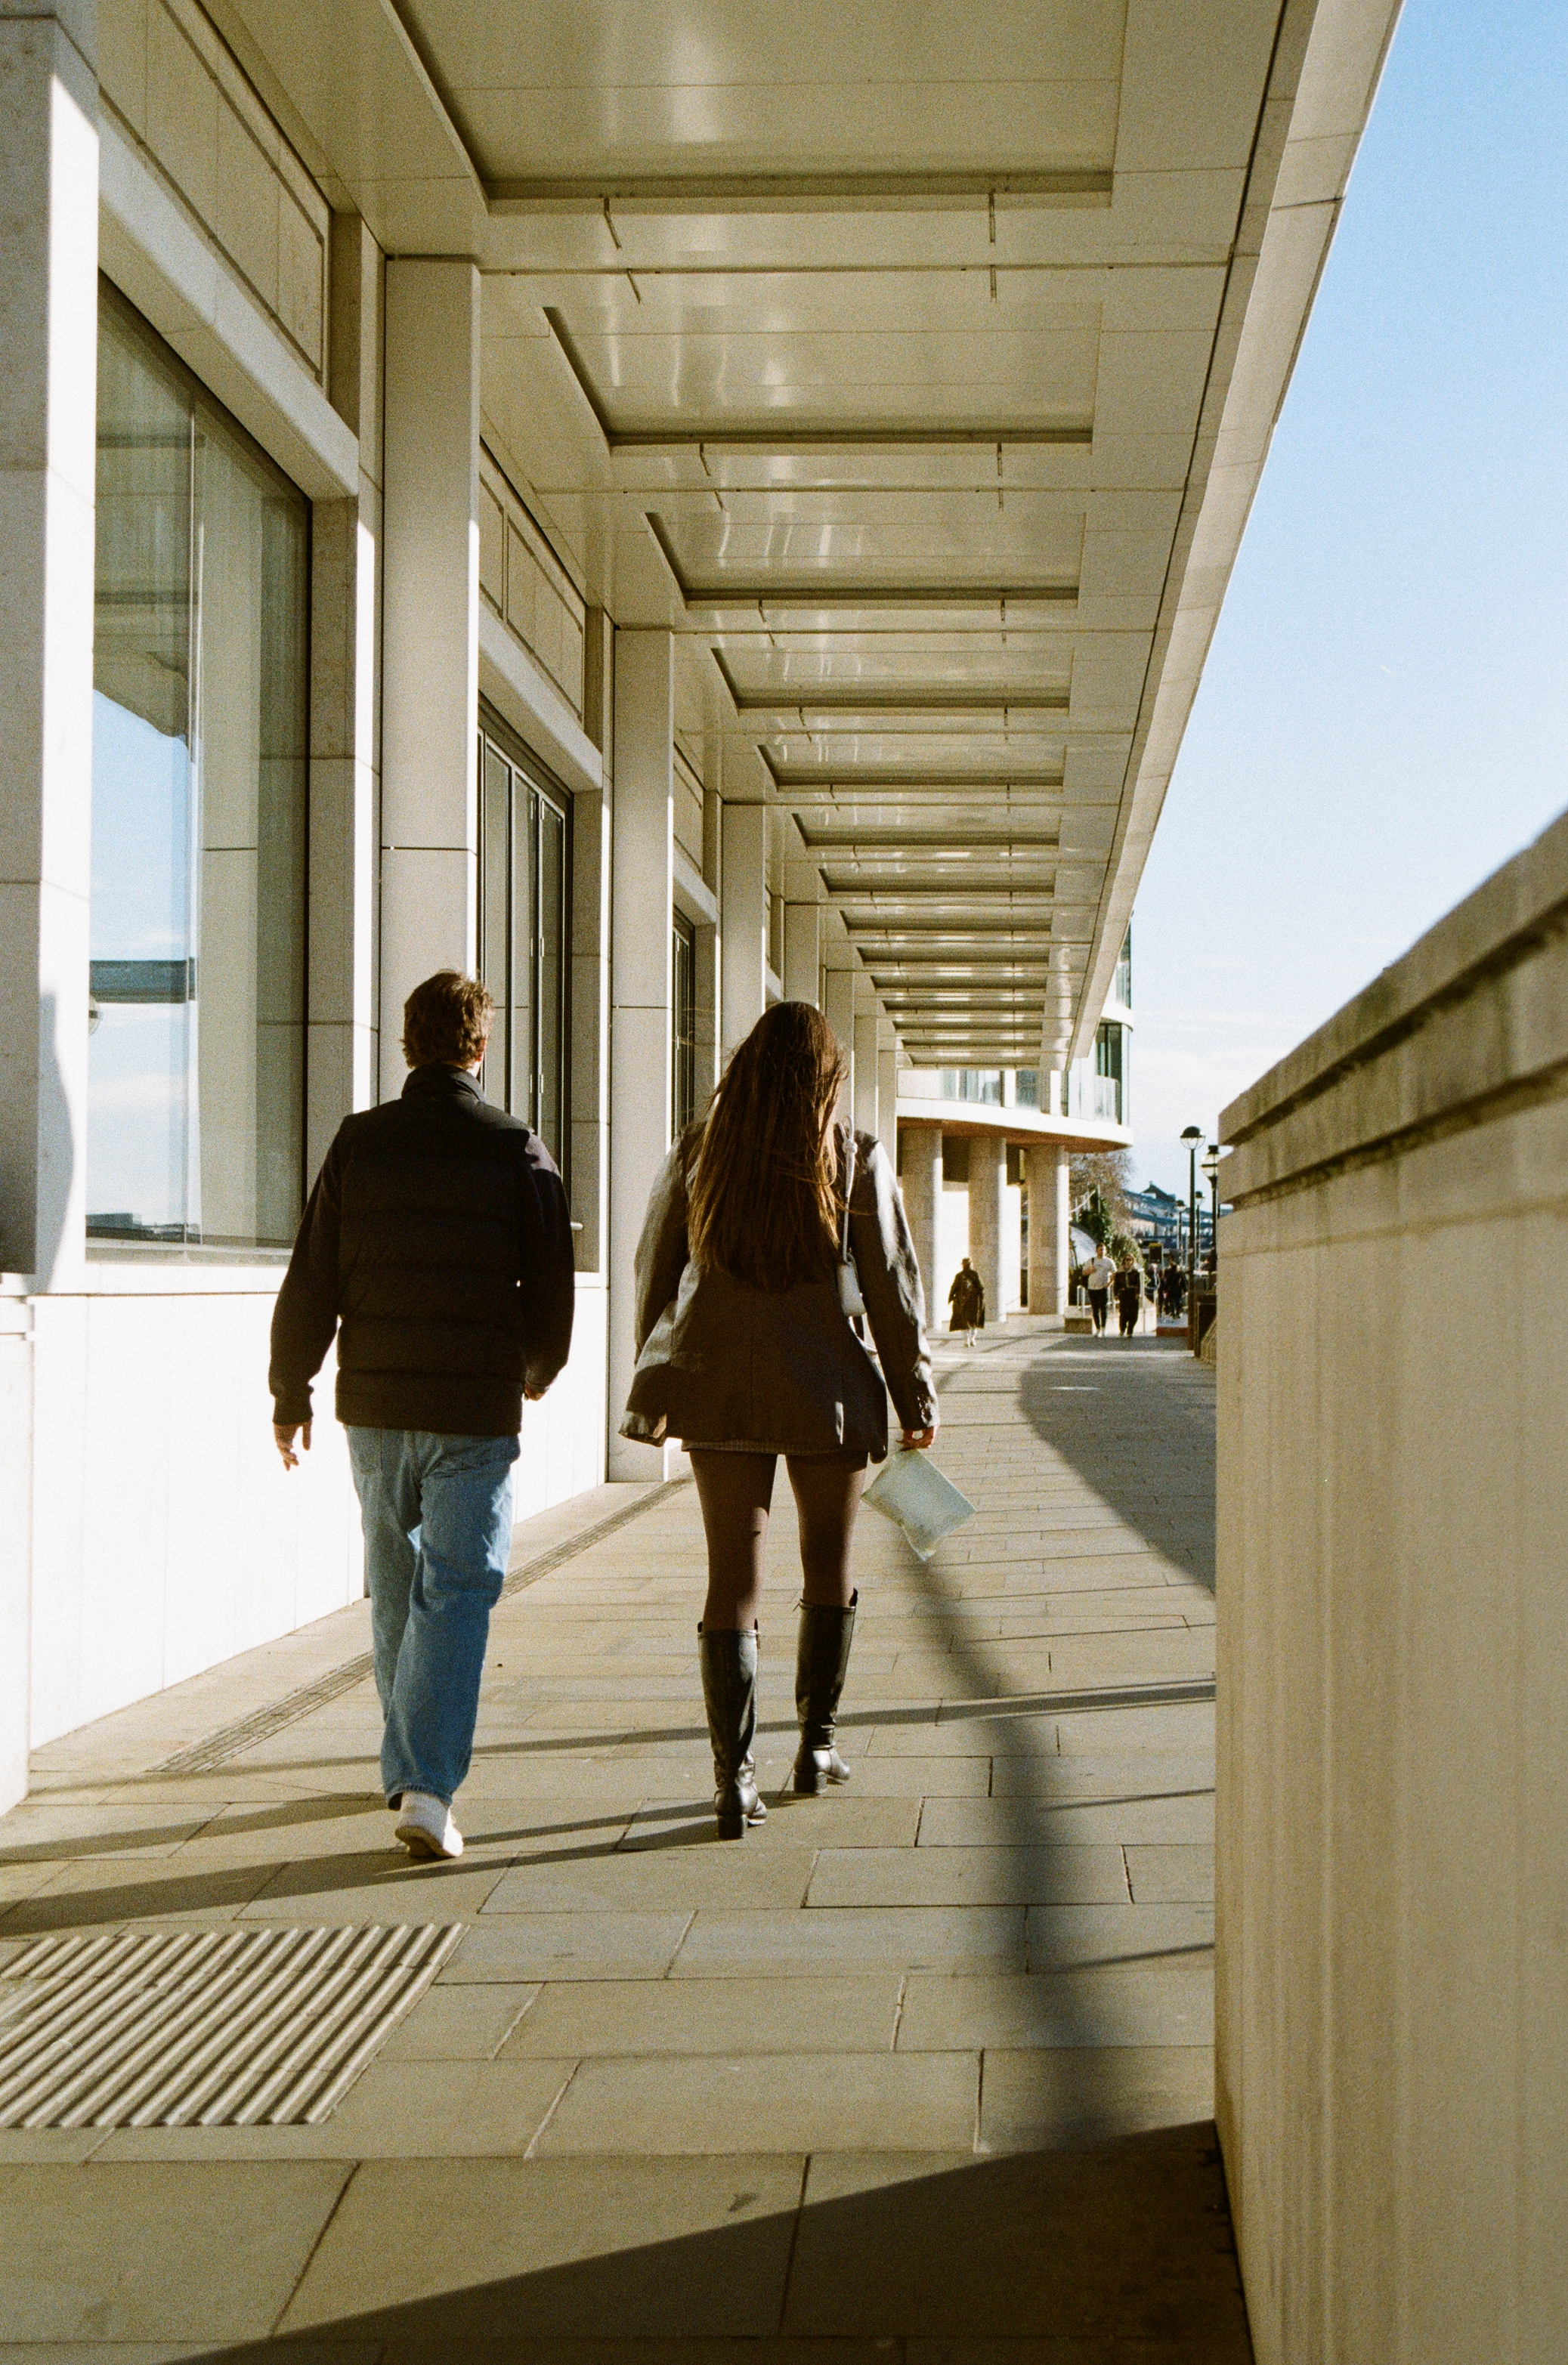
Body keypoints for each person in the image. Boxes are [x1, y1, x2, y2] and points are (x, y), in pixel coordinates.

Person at [268, 970, 575, 1863]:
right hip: (471, 1407)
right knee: (460, 1585)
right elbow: (551, 1275)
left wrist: (292, 1393)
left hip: (376, 1404)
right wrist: (539, 1367)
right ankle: (429, 1786)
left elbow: (312, 1275)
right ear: (479, 1048)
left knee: (398, 1578)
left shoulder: (359, 1144)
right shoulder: (516, 1146)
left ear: (408, 1046)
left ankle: (407, 1762)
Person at [623, 1003, 936, 1838]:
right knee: (826, 1568)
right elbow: (891, 1292)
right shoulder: (853, 1160)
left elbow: (653, 1273)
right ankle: (815, 1747)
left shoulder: (699, 1153)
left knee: (732, 1580)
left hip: (716, 1391)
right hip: (824, 1394)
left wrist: (658, 1372)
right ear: (825, 1076)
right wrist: (915, 1401)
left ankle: (734, 1780)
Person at [948, 1255, 985, 1344]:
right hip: (974, 1301)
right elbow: (981, 1288)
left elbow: (954, 1287)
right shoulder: (975, 1274)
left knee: (963, 1321)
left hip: (961, 1302)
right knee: (973, 1321)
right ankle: (972, 1339)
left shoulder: (959, 1275)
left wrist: (950, 1298)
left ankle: (966, 1341)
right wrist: (982, 1299)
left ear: (963, 1265)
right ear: (971, 1264)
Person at [1084, 1243, 1116, 1334]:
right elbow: (1084, 1273)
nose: (1102, 1252)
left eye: (1104, 1250)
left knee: (1103, 1308)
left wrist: (1109, 1284)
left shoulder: (1109, 1261)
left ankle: (1104, 1328)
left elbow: (1115, 1274)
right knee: (1095, 1309)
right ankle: (1097, 1328)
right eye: (1100, 1250)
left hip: (1103, 1288)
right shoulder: (1091, 1260)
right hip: (1092, 1288)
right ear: (1096, 1251)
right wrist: (1090, 1271)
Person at [1114, 1253, 1143, 1337]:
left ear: (1132, 1261)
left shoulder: (1135, 1272)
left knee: (1133, 1313)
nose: (1128, 1262)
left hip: (1132, 1293)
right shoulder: (1120, 1272)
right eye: (1126, 1259)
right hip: (1123, 1293)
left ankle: (1130, 1331)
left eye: (1130, 1260)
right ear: (1124, 1261)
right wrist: (1116, 1294)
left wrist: (1138, 1293)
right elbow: (1116, 1284)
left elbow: (1138, 1284)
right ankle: (1122, 1329)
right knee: (1123, 1312)